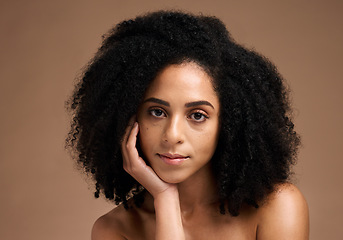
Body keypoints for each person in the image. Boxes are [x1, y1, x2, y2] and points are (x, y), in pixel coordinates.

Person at [66, 10, 309, 239]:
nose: (172, 135)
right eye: (157, 112)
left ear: (229, 124)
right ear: (129, 117)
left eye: (197, 115)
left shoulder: (277, 208)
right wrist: (166, 200)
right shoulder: (115, 229)